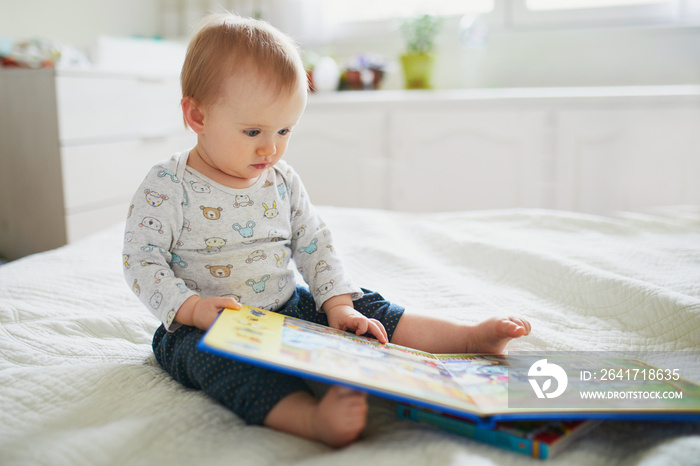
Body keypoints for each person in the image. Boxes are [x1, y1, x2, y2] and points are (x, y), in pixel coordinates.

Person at [122, 13, 531, 448]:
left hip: (286, 306)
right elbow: (140, 260)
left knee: (367, 308)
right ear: (197, 115)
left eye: (284, 130)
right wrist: (191, 309)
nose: (271, 147)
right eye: (253, 131)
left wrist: (337, 305)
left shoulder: (281, 179)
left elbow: (313, 242)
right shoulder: (168, 186)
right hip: (203, 324)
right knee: (220, 362)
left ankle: (468, 338)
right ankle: (310, 419)